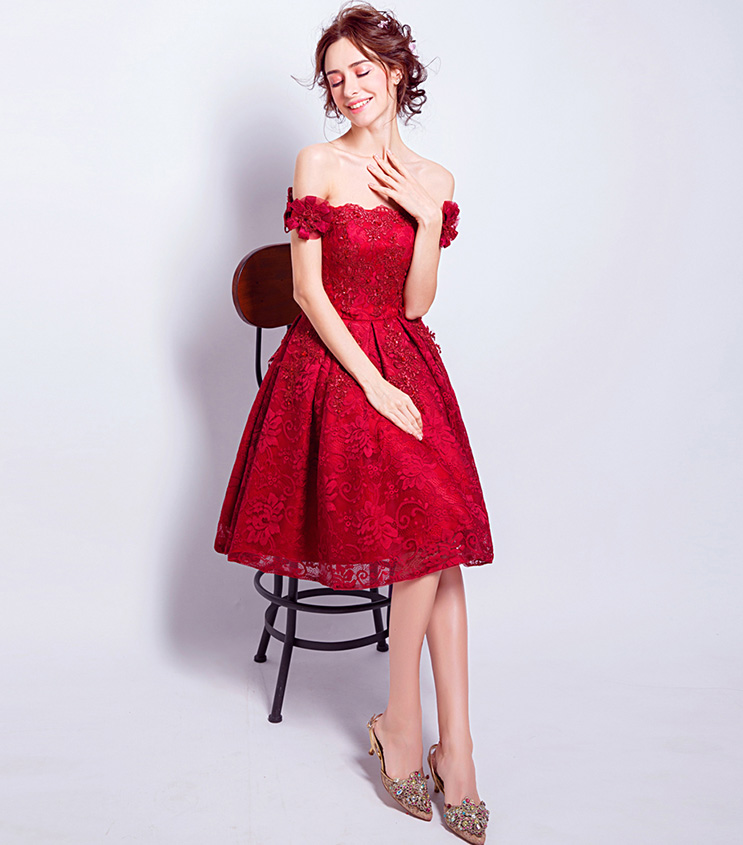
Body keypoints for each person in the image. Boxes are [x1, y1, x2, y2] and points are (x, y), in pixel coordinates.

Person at [214, 3, 493, 842]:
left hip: (405, 360)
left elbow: (415, 304)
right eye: (335, 77)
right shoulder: (318, 162)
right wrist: (371, 383)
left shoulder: (435, 177)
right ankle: (411, 729)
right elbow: (307, 292)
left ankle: (450, 747)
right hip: (331, 370)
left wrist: (422, 217)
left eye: (361, 69)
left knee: (441, 539)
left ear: (396, 72)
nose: (348, 87)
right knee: (437, 536)